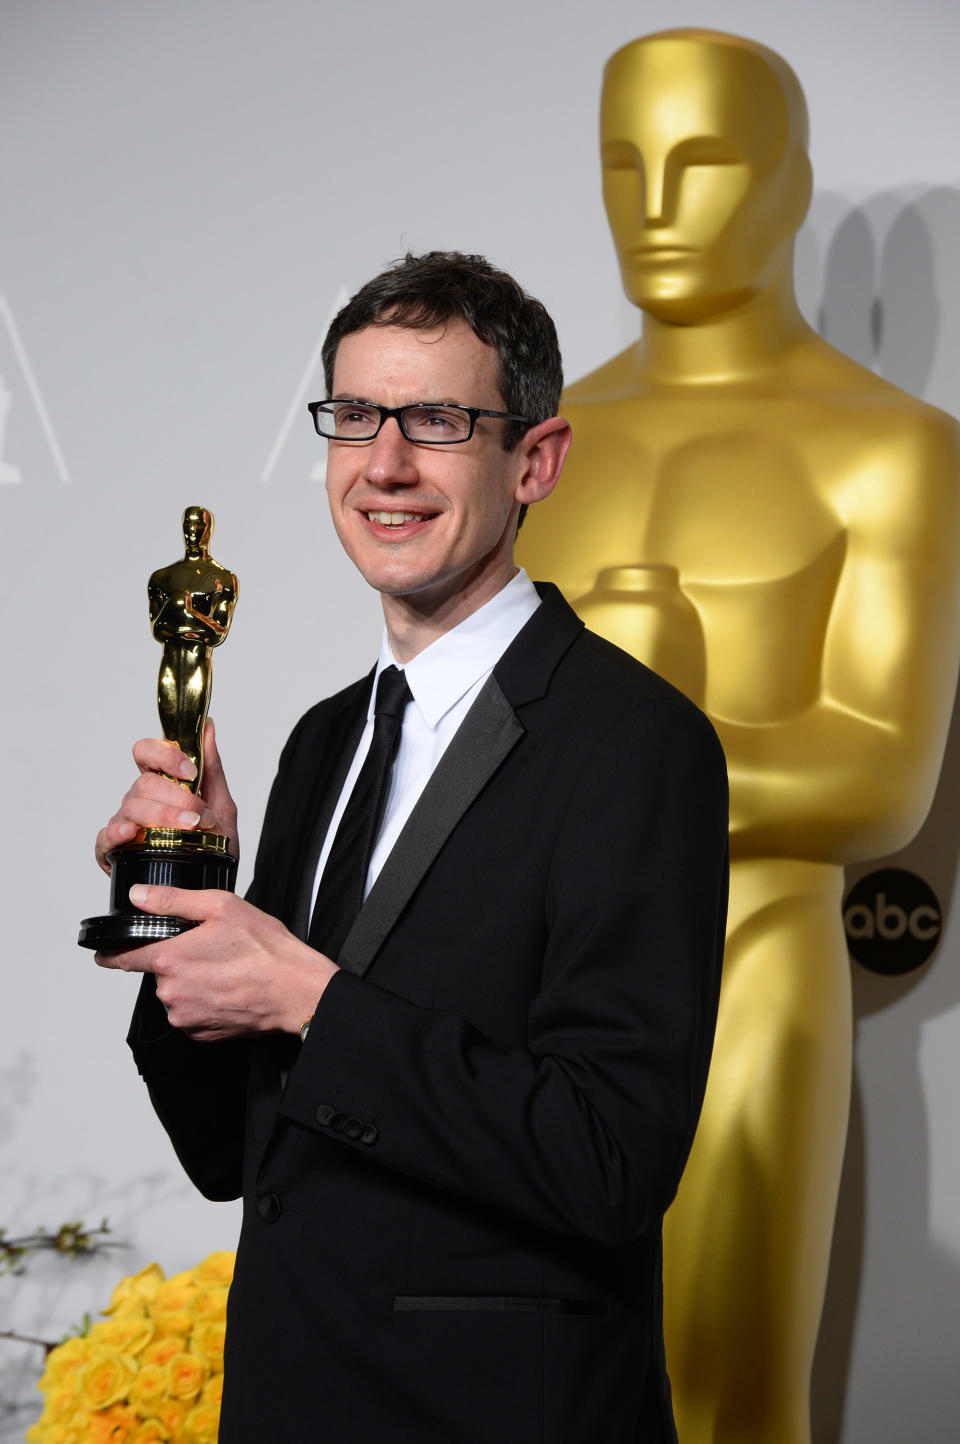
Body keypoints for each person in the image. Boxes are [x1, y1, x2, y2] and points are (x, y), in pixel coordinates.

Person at [94, 251, 728, 1444]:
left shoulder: (637, 744)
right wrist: (186, 890)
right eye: (355, 417)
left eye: (436, 420)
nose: (384, 463)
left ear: (533, 458)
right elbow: (237, 1153)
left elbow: (609, 1160)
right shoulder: (326, 740)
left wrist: (313, 998)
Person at [517, 30, 960, 1444]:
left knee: (727, 1398)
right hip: (523, 981)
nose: (655, 207)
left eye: (702, 163)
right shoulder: (540, 444)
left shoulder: (890, 448)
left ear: (788, 183)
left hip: (749, 959)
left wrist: (625, 768)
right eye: (623, 166)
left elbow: (881, 782)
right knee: (521, 1392)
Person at [148, 505, 238, 792]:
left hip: (197, 659)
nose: (193, 531)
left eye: (199, 526)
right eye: (189, 525)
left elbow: (218, 632)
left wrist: (186, 613)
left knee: (191, 734)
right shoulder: (162, 578)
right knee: (170, 737)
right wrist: (192, 620)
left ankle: (188, 802)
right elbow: (158, 629)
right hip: (171, 659)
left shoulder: (221, 579)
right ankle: (172, 805)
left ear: (208, 530)